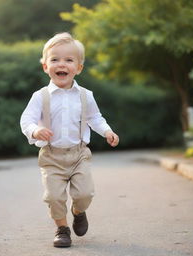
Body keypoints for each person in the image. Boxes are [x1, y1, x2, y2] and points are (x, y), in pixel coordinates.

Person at [20, 32, 119, 248]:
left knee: (85, 193)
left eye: (68, 60)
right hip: (51, 156)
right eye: (54, 59)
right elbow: (26, 119)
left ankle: (78, 210)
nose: (61, 64)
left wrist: (107, 131)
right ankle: (62, 229)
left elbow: (95, 118)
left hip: (78, 154)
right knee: (54, 197)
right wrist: (35, 130)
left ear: (79, 67)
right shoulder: (40, 96)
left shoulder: (85, 95)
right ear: (46, 66)